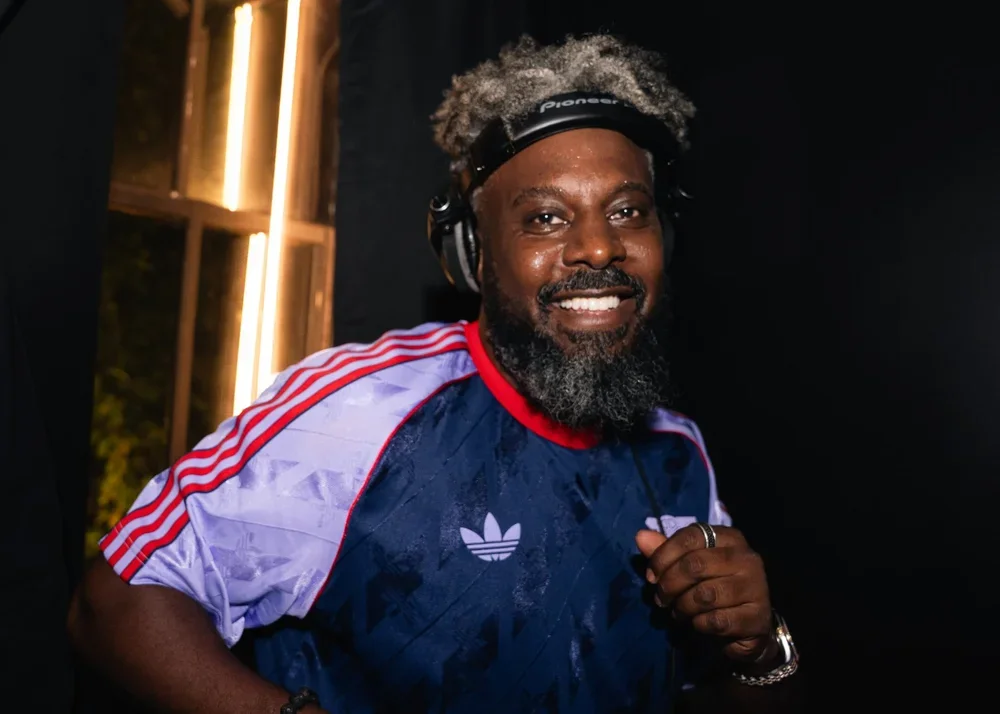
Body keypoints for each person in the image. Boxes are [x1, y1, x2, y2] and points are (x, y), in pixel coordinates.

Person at [69, 34, 801, 714]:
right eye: (545, 218)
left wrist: (758, 645)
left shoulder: (679, 452)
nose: (598, 249)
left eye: (628, 211)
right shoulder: (363, 410)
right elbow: (119, 599)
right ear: (469, 255)